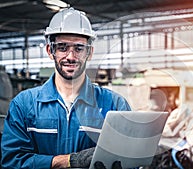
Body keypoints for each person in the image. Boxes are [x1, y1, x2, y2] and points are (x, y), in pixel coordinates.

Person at [1, 8, 131, 169]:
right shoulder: (24, 105)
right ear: (50, 51)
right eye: (62, 47)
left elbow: (129, 159)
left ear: (89, 53)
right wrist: (68, 161)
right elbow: (12, 162)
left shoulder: (115, 105)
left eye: (78, 48)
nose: (70, 56)